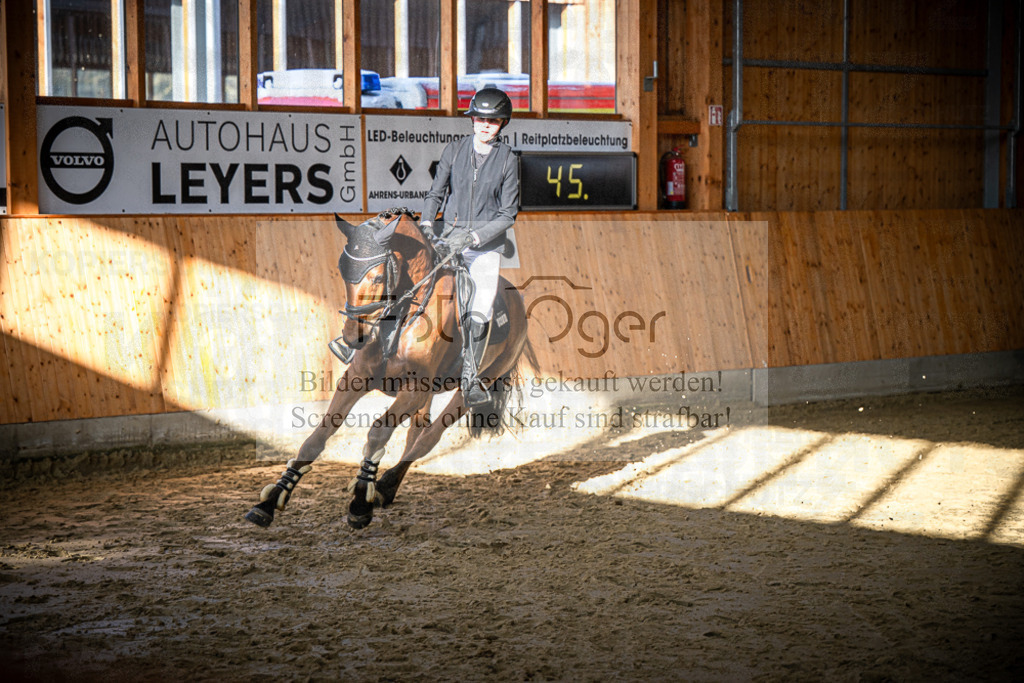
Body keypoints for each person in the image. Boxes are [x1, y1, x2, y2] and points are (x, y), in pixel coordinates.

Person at [421, 87, 519, 409]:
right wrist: (426, 223)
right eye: (480, 119)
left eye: (492, 121)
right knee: (412, 284)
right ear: (472, 119)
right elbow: (436, 194)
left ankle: (470, 377)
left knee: (482, 304)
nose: (485, 125)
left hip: (485, 248)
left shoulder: (508, 160)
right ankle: (362, 344)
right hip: (448, 239)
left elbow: (508, 214)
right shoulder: (454, 150)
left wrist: (475, 238)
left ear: (502, 123)